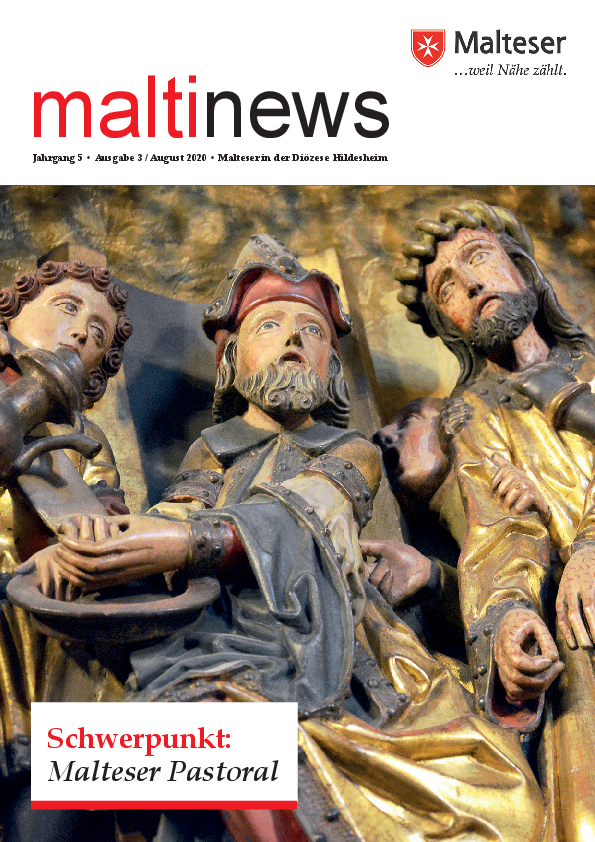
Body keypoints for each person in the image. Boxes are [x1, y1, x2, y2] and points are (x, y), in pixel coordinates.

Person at [39, 235, 545, 842]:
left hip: (334, 646)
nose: (292, 340)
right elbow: (176, 513)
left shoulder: (351, 451)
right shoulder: (212, 450)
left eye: (312, 332)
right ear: (232, 361)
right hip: (217, 633)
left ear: (331, 367)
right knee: (72, 758)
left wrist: (188, 542)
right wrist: (99, 543)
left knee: (504, 796)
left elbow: (308, 515)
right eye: (270, 326)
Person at [395, 199, 595, 836]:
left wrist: (590, 543)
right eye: (447, 288)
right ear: (448, 324)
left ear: (523, 269)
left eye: (478, 259)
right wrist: (509, 615)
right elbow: (500, 533)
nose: (471, 285)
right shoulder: (475, 417)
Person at [0, 258, 132, 840]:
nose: (81, 332)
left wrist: (79, 549)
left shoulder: (83, 442)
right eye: (68, 308)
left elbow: (102, 523)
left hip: (42, 618)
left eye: (98, 334)